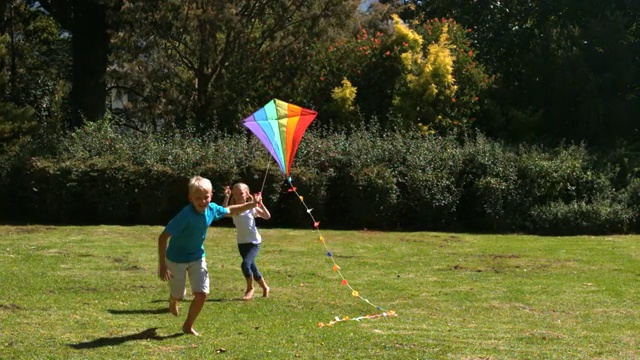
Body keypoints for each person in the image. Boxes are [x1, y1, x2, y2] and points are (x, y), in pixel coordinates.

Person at [158, 176, 259, 336]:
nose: (203, 201)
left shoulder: (212, 208)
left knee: (202, 293)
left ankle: (187, 325)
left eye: (206, 197)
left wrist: (251, 205)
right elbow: (163, 237)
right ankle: (173, 299)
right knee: (179, 294)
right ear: (190, 198)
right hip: (176, 259)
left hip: (197, 257)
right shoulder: (185, 215)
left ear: (211, 196)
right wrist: (162, 265)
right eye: (198, 198)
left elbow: (231, 210)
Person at [223, 182, 271, 301]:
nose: (239, 197)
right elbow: (223, 212)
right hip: (241, 243)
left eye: (241, 193)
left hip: (254, 242)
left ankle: (250, 289)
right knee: (252, 267)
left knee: (245, 264)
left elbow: (267, 216)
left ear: (247, 194)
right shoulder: (234, 210)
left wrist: (261, 204)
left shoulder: (251, 208)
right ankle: (265, 287)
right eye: (235, 194)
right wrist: (226, 197)